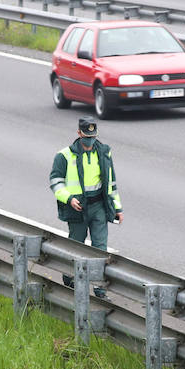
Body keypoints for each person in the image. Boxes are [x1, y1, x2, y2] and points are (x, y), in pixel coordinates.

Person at [50, 116, 122, 296]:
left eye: (93, 137)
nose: (90, 141)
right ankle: (70, 278)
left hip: (99, 206)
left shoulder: (104, 153)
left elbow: (111, 183)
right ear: (79, 134)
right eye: (87, 137)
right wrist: (69, 199)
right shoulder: (64, 156)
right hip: (78, 208)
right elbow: (56, 183)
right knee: (76, 245)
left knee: (100, 247)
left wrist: (117, 208)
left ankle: (99, 289)